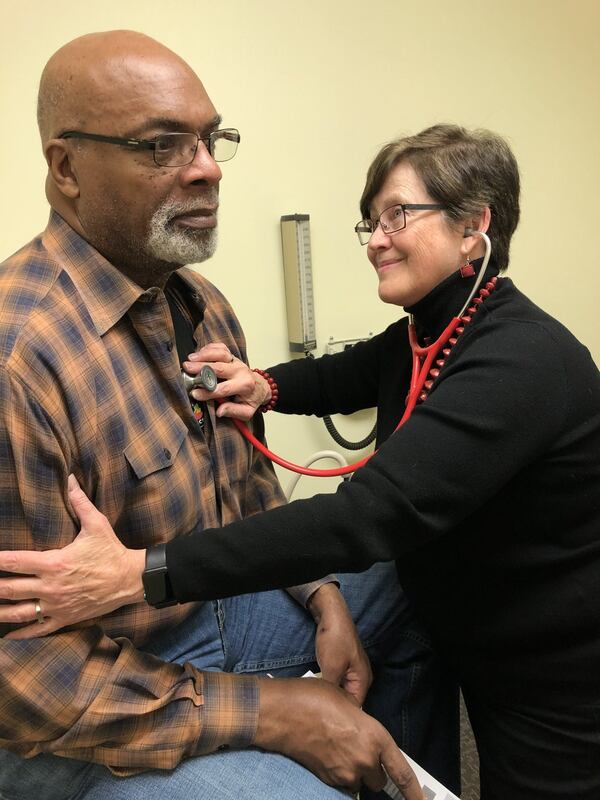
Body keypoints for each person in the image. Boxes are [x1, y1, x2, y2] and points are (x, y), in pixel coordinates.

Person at [5, 122, 600, 800]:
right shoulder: (427, 329)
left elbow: (365, 518)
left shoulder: (524, 359)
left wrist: (144, 572)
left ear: (473, 228)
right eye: (370, 221)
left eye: (397, 216)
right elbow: (349, 372)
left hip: (551, 662)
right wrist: (267, 386)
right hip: (470, 625)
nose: (375, 239)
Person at [0, 29, 446, 800]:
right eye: (162, 146)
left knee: (420, 574)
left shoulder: (202, 307)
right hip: (82, 715)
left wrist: (325, 598)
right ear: (66, 167)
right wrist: (273, 713)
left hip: (211, 622)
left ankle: (391, 775)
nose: (205, 169)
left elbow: (247, 494)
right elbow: (24, 681)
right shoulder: (20, 361)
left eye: (210, 140)